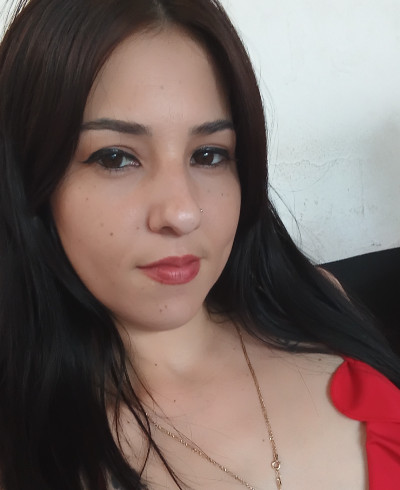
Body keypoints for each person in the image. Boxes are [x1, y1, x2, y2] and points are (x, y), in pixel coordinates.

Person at [0, 1, 399, 489]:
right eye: (115, 158)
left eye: (208, 155)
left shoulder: (317, 305)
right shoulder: (22, 448)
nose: (183, 212)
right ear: (29, 179)